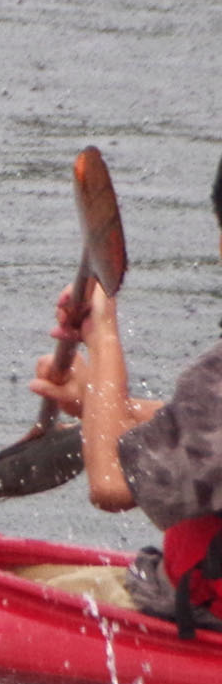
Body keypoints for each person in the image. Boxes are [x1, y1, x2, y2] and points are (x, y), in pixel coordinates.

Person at [28, 154, 222, 632]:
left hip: (200, 617)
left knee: (24, 587)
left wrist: (103, 335)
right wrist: (103, 404)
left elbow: (112, 484)